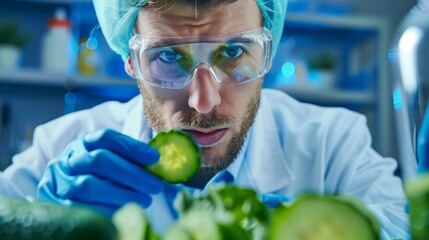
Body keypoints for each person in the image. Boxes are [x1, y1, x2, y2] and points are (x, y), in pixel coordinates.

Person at [0, 0, 409, 238]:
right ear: (129, 61)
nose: (203, 102)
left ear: (268, 51)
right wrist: (41, 219)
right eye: (166, 56)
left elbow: (397, 226)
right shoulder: (61, 146)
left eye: (233, 53)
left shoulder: (332, 142)